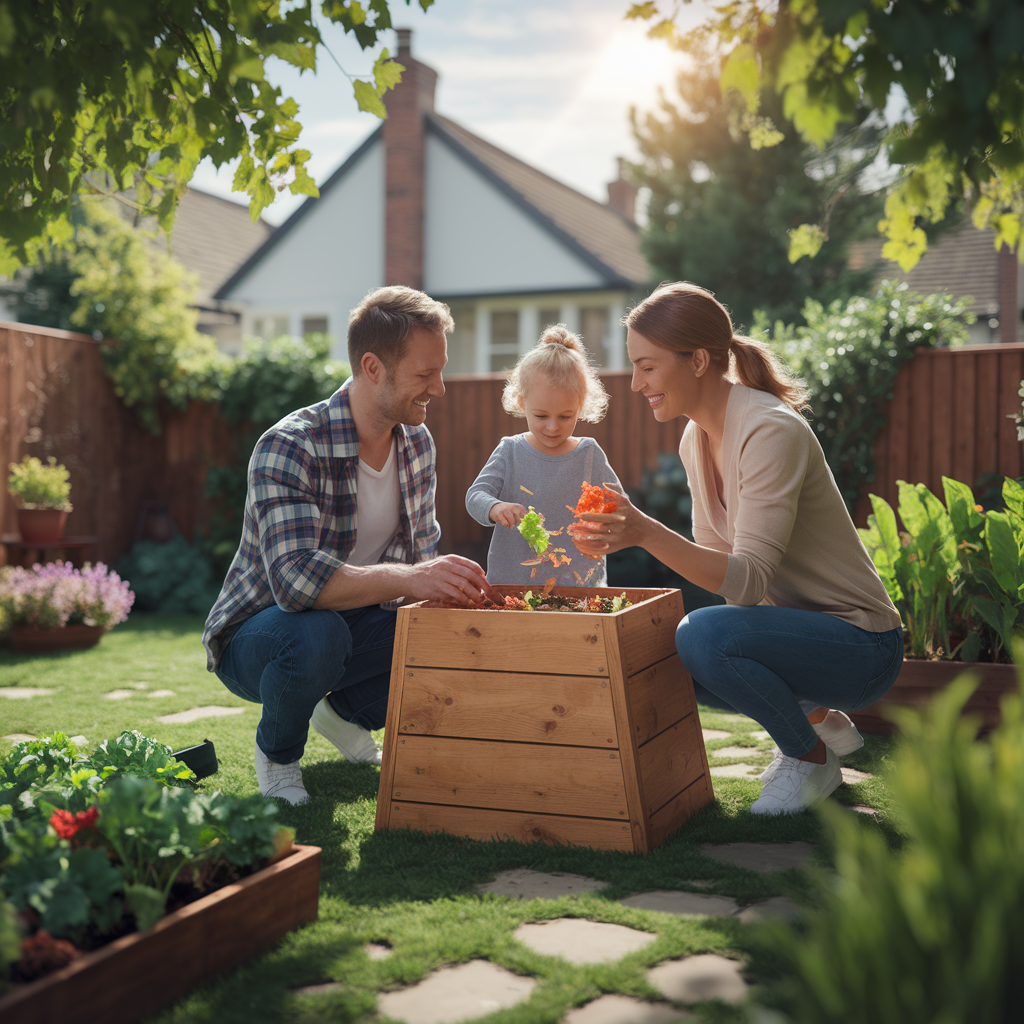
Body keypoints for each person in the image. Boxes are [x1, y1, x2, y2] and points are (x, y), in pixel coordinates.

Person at [574, 282, 903, 816]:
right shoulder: (695, 438)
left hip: (863, 646)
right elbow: (725, 578)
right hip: (803, 634)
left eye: (648, 366)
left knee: (700, 634)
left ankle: (810, 758)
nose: (636, 383)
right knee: (693, 634)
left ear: (699, 361)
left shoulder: (770, 430)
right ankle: (816, 720)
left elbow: (748, 581)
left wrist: (645, 532)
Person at [202, 286, 499, 805]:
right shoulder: (290, 445)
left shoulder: (416, 444)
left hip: (355, 621)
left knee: (447, 626)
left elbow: (421, 556)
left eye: (441, 371)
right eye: (425, 374)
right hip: (263, 635)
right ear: (373, 367)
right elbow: (295, 585)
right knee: (318, 633)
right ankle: (278, 756)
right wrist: (412, 577)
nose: (439, 388)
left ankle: (343, 715)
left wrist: (449, 592)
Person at [466, 325, 621, 586]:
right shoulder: (510, 451)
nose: (552, 427)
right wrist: (495, 507)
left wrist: (605, 520)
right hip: (513, 590)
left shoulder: (589, 454)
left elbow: (620, 507)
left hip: (581, 591)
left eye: (565, 416)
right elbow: (475, 496)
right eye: (541, 416)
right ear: (522, 402)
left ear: (580, 405)